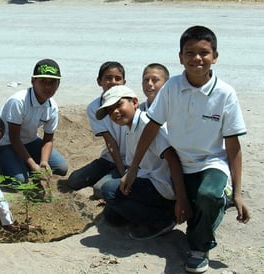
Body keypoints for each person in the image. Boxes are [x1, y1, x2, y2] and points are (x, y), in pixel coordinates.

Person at [123, 26, 251, 273]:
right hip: (178, 164)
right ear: (180, 57)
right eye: (189, 52)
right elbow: (151, 128)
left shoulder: (225, 94)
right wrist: (132, 169)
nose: (197, 58)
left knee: (208, 197)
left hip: (211, 164)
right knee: (122, 194)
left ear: (215, 56)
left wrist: (238, 192)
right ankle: (184, 215)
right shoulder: (171, 88)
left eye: (204, 52)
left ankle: (199, 247)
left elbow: (233, 145)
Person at [95, 85, 191, 240]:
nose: (115, 112)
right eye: (110, 111)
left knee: (109, 190)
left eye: (118, 105)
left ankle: (163, 220)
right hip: (148, 180)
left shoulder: (147, 124)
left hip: (162, 186)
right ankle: (149, 213)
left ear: (134, 102)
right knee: (112, 216)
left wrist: (181, 199)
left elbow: (172, 159)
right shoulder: (130, 127)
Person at [0, 59, 68, 185]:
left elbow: (48, 139)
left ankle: (20, 164)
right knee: (19, 181)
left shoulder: (52, 106)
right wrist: (32, 164)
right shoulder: (19, 101)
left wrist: (44, 161)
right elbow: (14, 138)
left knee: (61, 168)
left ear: (58, 84)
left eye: (52, 82)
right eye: (43, 81)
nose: (48, 87)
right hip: (6, 142)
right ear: (33, 81)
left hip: (29, 141)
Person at [67, 61, 127, 198]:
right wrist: (120, 169)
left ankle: (112, 178)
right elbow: (110, 142)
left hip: (130, 160)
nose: (113, 82)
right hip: (109, 157)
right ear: (99, 81)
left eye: (118, 78)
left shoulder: (130, 104)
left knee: (100, 190)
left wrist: (124, 171)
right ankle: (111, 175)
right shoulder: (94, 107)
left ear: (124, 82)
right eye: (108, 78)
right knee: (73, 181)